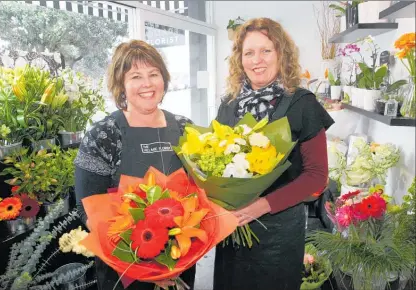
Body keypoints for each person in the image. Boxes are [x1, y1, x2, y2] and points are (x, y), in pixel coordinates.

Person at [213, 18, 334, 290]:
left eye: (267, 50)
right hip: (232, 227)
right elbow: (216, 162)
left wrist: (261, 206)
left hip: (278, 231)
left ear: (281, 54)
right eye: (249, 52)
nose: (258, 60)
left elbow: (316, 176)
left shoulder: (302, 103)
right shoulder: (228, 105)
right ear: (239, 59)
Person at [74, 40, 196, 290]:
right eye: (136, 76)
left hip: (179, 259)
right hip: (124, 267)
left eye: (154, 74)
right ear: (121, 85)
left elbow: (200, 190)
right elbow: (87, 208)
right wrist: (143, 265)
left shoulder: (186, 128)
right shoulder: (104, 134)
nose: (147, 84)